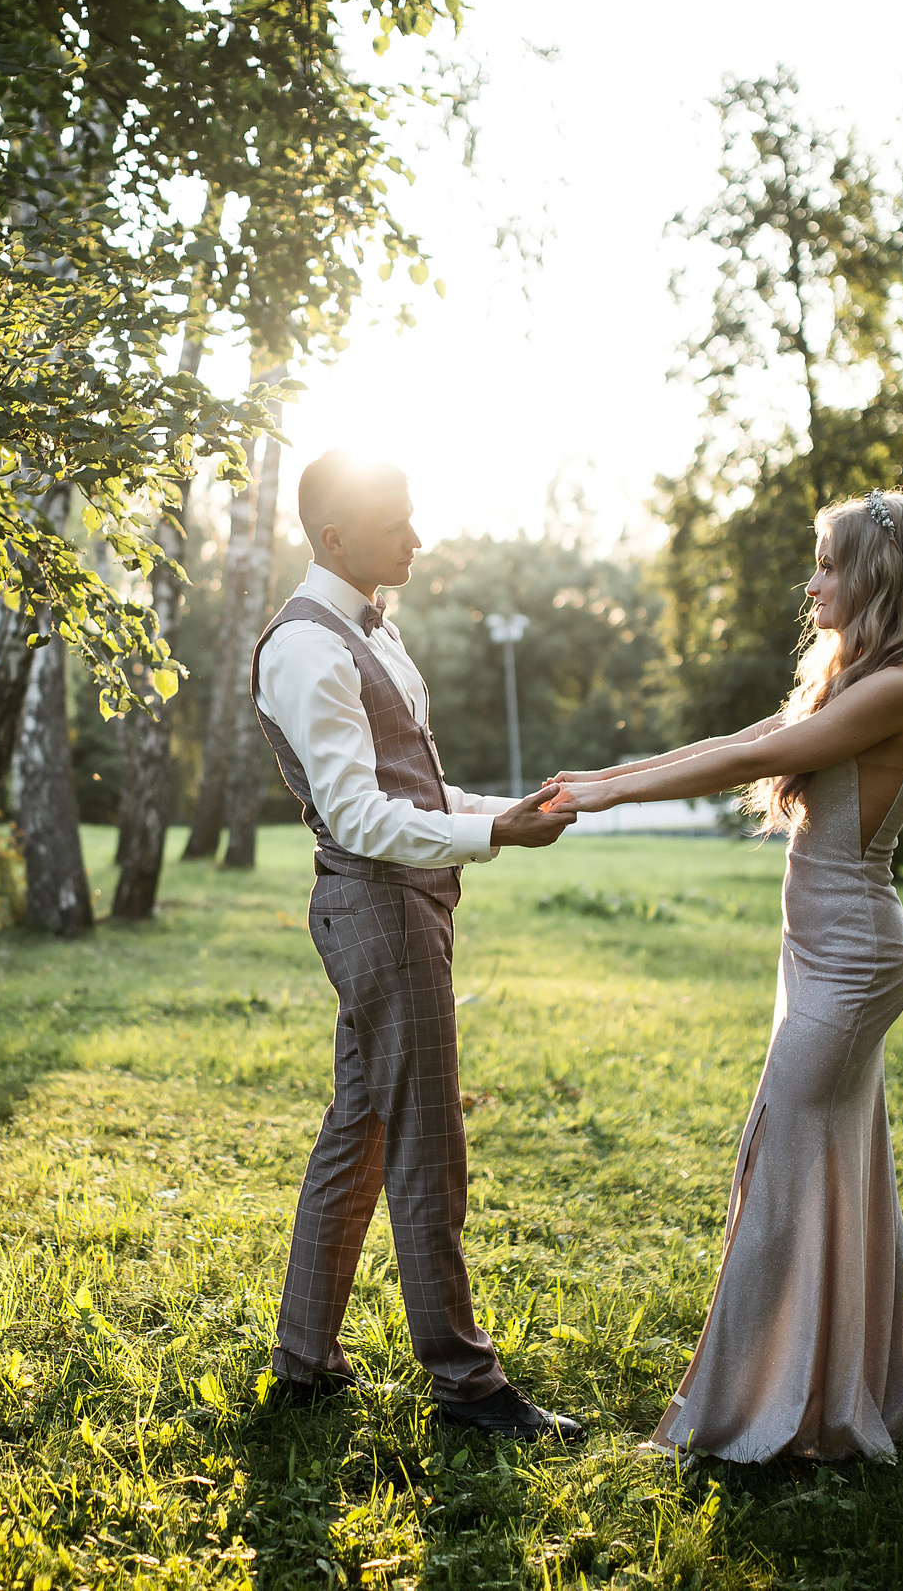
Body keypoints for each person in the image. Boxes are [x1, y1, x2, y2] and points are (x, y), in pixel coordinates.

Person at [548, 488, 903, 1462]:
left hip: (852, 962)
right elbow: (746, 745)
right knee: (821, 1174)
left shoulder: (897, 687)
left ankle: (751, 1412)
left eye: (827, 563)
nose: (811, 581)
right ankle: (833, 1395)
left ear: (875, 574)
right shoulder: (868, 679)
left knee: (778, 1170)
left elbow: (759, 754)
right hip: (826, 954)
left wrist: (611, 788)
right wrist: (609, 780)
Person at [253, 449, 585, 1442]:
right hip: (380, 908)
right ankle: (464, 1384)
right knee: (428, 1150)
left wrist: (504, 814)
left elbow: (413, 798)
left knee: (362, 1129)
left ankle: (303, 1359)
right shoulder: (307, 649)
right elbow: (356, 817)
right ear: (335, 535)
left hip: (407, 903)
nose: (418, 536)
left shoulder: (371, 632)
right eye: (398, 520)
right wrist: (492, 835)